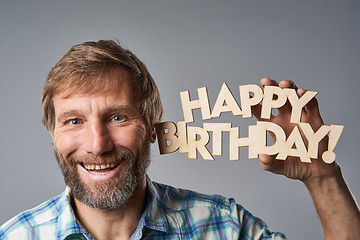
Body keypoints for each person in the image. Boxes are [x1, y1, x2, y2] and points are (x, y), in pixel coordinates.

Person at [0, 40, 359, 240]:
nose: (97, 144)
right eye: (74, 121)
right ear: (53, 133)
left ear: (153, 127)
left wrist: (322, 178)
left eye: (118, 117)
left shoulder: (224, 227)